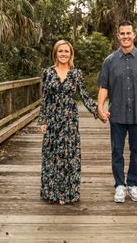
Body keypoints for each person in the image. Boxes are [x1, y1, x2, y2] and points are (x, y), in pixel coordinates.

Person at [97, 21, 137, 203]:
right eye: (122, 33)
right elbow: (104, 87)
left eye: (128, 33)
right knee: (117, 151)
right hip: (116, 114)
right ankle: (119, 185)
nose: (125, 36)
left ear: (134, 35)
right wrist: (100, 108)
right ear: (118, 36)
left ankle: (132, 184)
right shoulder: (109, 61)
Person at [37, 40, 98, 205]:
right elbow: (45, 98)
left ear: (71, 54)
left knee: (69, 155)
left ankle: (68, 193)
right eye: (60, 51)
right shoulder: (48, 72)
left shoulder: (76, 73)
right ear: (55, 53)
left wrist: (98, 111)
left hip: (70, 119)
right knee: (52, 155)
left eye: (66, 51)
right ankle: (52, 193)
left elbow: (84, 95)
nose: (63, 54)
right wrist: (43, 120)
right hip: (52, 118)